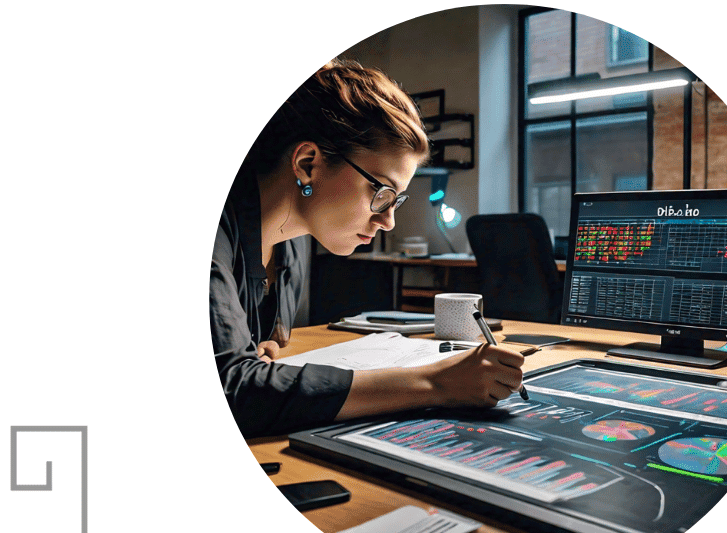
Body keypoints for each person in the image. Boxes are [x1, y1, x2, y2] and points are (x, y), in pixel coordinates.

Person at [211, 60, 524, 438]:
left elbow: (251, 364)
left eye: (398, 200)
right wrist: (435, 383)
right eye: (381, 193)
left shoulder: (292, 247)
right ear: (308, 163)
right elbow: (231, 392)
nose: (388, 221)